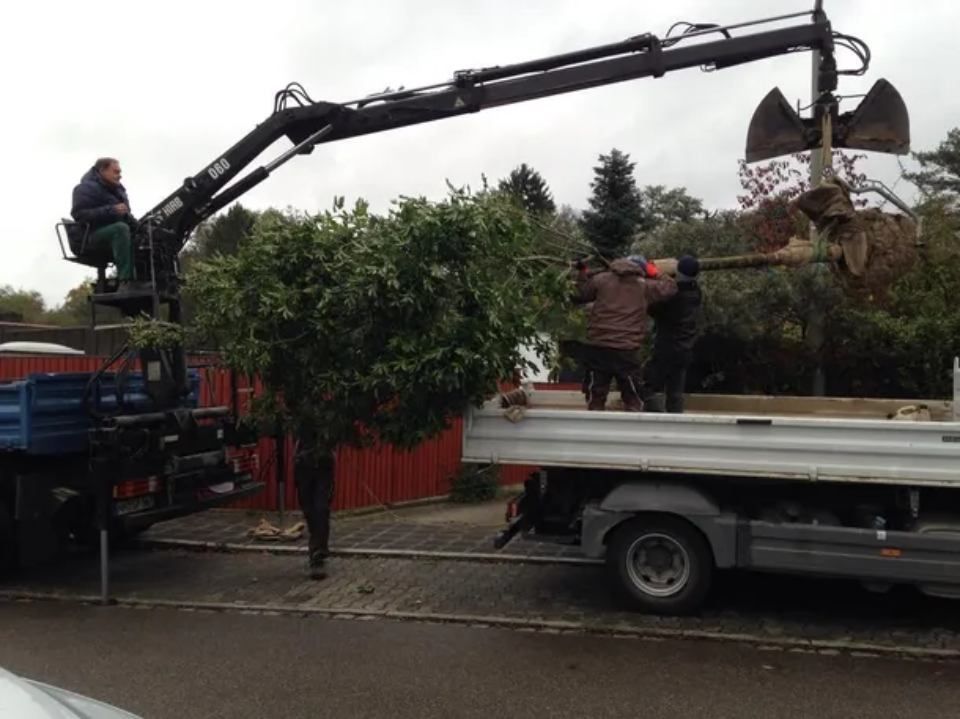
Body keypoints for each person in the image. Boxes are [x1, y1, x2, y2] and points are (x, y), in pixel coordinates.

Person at [572, 255, 677, 411]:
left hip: (599, 346)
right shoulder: (644, 286)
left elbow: (579, 294)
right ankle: (632, 428)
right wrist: (656, 272)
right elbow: (671, 288)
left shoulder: (601, 280)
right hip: (626, 349)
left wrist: (582, 273)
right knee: (633, 396)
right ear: (641, 270)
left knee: (596, 395)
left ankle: (593, 426)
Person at [642, 254, 703, 413]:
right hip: (685, 349)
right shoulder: (696, 292)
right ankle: (676, 422)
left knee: (650, 386)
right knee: (675, 391)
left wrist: (654, 275)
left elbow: (653, 308)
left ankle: (654, 419)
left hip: (666, 347)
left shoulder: (673, 296)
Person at [70, 158, 139, 289]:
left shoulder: (119, 191)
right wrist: (111, 210)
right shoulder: (85, 189)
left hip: (115, 233)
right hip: (91, 234)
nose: (120, 175)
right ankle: (126, 281)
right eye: (115, 171)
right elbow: (79, 215)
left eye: (120, 172)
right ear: (102, 170)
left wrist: (140, 226)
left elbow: (126, 215)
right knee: (121, 229)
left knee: (145, 237)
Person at [293, 427, 334, 580]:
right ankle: (317, 546)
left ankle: (318, 554)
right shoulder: (298, 410)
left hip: (323, 466)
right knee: (308, 510)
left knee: (321, 508)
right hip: (303, 466)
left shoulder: (329, 411)